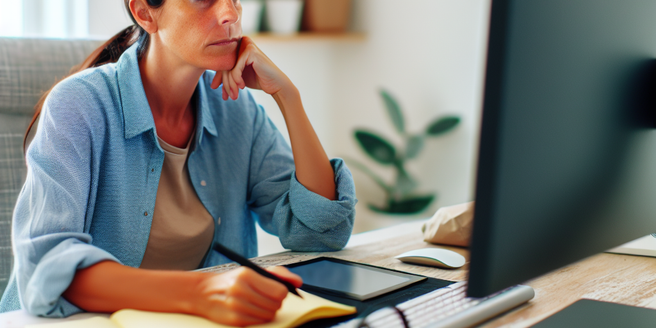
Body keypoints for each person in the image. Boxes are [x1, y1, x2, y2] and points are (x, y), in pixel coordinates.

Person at [0, 0, 357, 325]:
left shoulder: (235, 110)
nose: (230, 14)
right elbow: (47, 267)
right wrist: (200, 295)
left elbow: (320, 232)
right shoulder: (77, 105)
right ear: (144, 12)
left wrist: (287, 97)